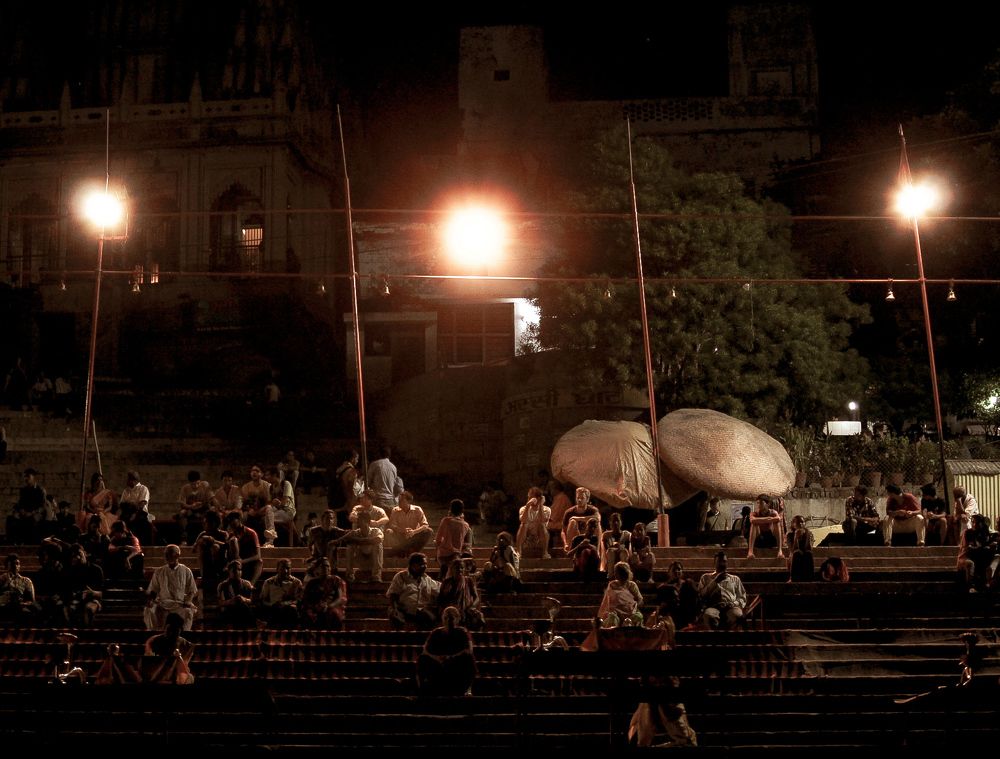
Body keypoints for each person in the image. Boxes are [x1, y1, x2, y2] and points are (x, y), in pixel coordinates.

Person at [416, 606, 476, 696]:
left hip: (455, 664)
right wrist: (436, 658)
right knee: (422, 659)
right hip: (439, 663)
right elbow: (425, 651)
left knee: (469, 658)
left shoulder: (463, 632)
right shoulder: (436, 632)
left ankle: (468, 689)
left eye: (452, 617)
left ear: (458, 619)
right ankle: (422, 689)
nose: (449, 620)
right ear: (442, 618)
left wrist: (451, 657)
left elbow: (469, 650)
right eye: (446, 617)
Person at [144, 544, 198, 631]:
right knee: (149, 610)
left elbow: (192, 590)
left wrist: (188, 601)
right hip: (162, 603)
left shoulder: (186, 570)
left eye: (169, 554)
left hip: (179, 604)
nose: (166, 556)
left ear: (177, 555)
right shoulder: (159, 571)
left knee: (188, 612)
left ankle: (184, 636)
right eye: (165, 554)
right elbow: (154, 589)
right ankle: (154, 635)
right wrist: (150, 600)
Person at [387, 552, 440, 630]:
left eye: (425, 564)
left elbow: (440, 588)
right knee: (395, 618)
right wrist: (395, 609)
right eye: (421, 564)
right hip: (403, 609)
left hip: (420, 611)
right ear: (412, 565)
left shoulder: (426, 579)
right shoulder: (401, 576)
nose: (424, 566)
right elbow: (393, 594)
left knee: (430, 618)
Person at [697, 551, 747, 630]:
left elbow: (742, 597)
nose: (722, 564)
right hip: (713, 607)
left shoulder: (735, 579)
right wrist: (715, 581)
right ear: (714, 563)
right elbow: (702, 595)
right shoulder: (705, 577)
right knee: (709, 616)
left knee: (737, 616)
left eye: (724, 561)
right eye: (719, 562)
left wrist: (733, 603)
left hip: (731, 607)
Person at [142, 612, 195, 684]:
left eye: (175, 630)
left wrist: (178, 657)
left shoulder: (187, 645)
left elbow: (183, 668)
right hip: (157, 672)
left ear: (180, 630)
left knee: (186, 678)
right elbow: (149, 660)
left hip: (177, 673)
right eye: (169, 629)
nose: (171, 633)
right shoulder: (153, 641)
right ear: (165, 627)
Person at [299, 557, 347, 629]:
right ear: (317, 569)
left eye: (328, 566)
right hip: (315, 607)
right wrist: (314, 607)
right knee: (306, 614)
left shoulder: (335, 580)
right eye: (323, 566)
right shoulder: (312, 583)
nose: (326, 568)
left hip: (331, 607)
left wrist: (328, 606)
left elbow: (340, 598)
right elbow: (305, 599)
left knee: (330, 614)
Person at [438, 557, 484, 630]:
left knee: (477, 617)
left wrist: (472, 607)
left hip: (466, 609)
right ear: (452, 569)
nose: (459, 570)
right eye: (457, 568)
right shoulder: (447, 582)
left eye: (461, 568)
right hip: (451, 609)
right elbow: (441, 599)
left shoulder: (468, 581)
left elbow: (476, 597)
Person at [384, 491, 433, 556]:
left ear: (408, 501)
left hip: (414, 536)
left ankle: (408, 550)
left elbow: (425, 525)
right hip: (401, 535)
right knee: (389, 531)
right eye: (399, 500)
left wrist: (413, 532)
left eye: (402, 500)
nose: (399, 502)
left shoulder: (417, 509)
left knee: (429, 531)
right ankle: (403, 549)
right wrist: (403, 530)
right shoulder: (395, 510)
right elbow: (392, 525)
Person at [342, 510, 384, 583]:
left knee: (378, 545)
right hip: (360, 560)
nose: (357, 521)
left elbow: (378, 539)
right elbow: (346, 539)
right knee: (350, 545)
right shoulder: (355, 532)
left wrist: (358, 541)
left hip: (373, 562)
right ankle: (350, 575)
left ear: (366, 521)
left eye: (359, 519)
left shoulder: (376, 531)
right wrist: (368, 541)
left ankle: (376, 576)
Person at [7, 468, 47, 545]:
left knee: (31, 520)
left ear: (33, 477)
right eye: (25, 476)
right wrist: (22, 511)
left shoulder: (40, 490)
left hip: (36, 514)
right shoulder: (23, 490)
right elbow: (20, 504)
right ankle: (13, 543)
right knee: (11, 519)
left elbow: (42, 506)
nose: (26, 478)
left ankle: (30, 543)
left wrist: (32, 513)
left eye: (28, 476)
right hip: (25, 513)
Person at [259, 557, 303, 627]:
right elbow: (263, 600)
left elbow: (299, 600)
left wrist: (285, 604)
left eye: (288, 568)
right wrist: (272, 605)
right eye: (282, 568)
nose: (285, 571)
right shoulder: (269, 582)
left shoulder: (296, 582)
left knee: (292, 610)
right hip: (273, 611)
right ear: (277, 569)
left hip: (289, 611)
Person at [597, 561, 644, 627]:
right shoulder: (612, 584)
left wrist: (633, 608)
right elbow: (609, 602)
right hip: (615, 612)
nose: (616, 574)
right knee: (612, 619)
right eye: (615, 572)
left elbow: (640, 600)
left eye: (618, 572)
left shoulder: (632, 585)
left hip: (630, 612)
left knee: (638, 617)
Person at [435, 498, 472, 580]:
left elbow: (438, 539)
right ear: (462, 511)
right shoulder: (466, 525)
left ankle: (443, 577)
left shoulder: (446, 520)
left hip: (443, 555)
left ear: (451, 509)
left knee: (445, 563)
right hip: (456, 555)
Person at [328, 448, 362, 529]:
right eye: (357, 458)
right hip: (346, 504)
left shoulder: (339, 470)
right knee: (348, 528)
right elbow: (350, 488)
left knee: (340, 526)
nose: (357, 461)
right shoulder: (352, 471)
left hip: (337, 502)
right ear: (353, 458)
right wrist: (350, 504)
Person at [217, 559, 256, 626]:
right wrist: (231, 601)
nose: (238, 572)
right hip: (229, 611)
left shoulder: (247, 584)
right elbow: (220, 602)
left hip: (243, 611)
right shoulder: (223, 585)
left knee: (244, 608)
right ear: (229, 571)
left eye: (239, 570)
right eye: (235, 570)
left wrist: (244, 599)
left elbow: (251, 600)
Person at [515, 486, 551, 559]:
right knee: (523, 525)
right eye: (528, 497)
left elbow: (542, 520)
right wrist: (528, 506)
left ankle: (545, 552)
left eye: (530, 498)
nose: (529, 499)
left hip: (540, 536)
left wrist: (540, 504)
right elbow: (523, 520)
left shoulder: (546, 509)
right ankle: (518, 551)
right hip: (527, 536)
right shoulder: (523, 509)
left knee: (541, 525)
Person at [0, 553, 36, 621]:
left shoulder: (26, 581)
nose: (15, 566)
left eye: (17, 563)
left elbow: (31, 600)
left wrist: (22, 604)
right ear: (6, 566)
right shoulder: (1, 579)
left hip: (19, 607)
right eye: (12, 564)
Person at [366, 445, 404, 510]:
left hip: (378, 500)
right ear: (389, 455)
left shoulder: (375, 464)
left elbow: (367, 482)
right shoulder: (393, 467)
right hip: (391, 501)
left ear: (379, 454)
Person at [747, 495, 784, 559]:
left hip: (771, 539)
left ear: (768, 504)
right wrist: (769, 519)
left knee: (777, 523)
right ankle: (750, 552)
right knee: (754, 524)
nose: (759, 505)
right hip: (759, 540)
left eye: (761, 503)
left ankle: (780, 551)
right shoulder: (755, 513)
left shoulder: (773, 512)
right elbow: (752, 520)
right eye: (758, 503)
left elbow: (778, 519)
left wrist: (759, 520)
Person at [600, 512, 632, 576]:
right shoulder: (606, 535)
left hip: (623, 555)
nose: (615, 523)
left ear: (621, 522)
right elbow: (606, 549)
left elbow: (628, 549)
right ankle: (610, 575)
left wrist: (620, 547)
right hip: (610, 557)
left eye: (617, 520)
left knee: (624, 552)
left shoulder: (627, 535)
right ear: (610, 523)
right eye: (613, 521)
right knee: (610, 552)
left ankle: (624, 574)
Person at [785, 515, 814, 582]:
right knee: (796, 553)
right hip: (795, 557)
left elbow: (809, 548)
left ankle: (810, 578)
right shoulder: (790, 535)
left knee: (808, 553)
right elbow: (792, 550)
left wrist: (808, 535)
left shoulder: (808, 533)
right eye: (798, 522)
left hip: (805, 556)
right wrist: (796, 537)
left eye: (802, 522)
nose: (800, 524)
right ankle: (793, 578)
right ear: (793, 524)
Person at [546, 481, 572, 554]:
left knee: (542, 527)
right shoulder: (558, 498)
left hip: (562, 523)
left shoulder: (561, 498)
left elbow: (554, 516)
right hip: (558, 521)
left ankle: (547, 550)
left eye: (550, 489)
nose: (549, 491)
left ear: (555, 489)